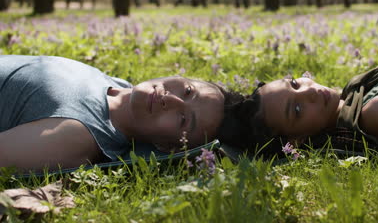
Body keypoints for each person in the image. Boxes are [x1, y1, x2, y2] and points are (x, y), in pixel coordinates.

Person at [0, 55, 229, 172]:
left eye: (183, 119)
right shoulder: (116, 84)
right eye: (188, 91)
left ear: (166, 147)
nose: (171, 99)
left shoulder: (75, 136)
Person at [219, 55, 378, 156]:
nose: (310, 93)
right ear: (297, 142)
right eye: (297, 110)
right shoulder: (377, 112)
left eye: (295, 84)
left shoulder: (358, 92)